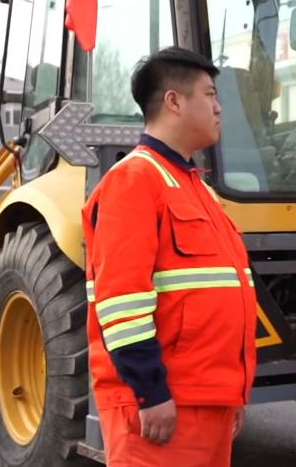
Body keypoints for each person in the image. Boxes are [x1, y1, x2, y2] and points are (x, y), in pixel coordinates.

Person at [82, 47, 258, 466]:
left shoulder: (199, 189)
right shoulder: (134, 180)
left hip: (207, 401)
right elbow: (122, 302)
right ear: (174, 101)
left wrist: (231, 396)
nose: (219, 108)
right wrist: (150, 392)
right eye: (210, 95)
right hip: (164, 405)